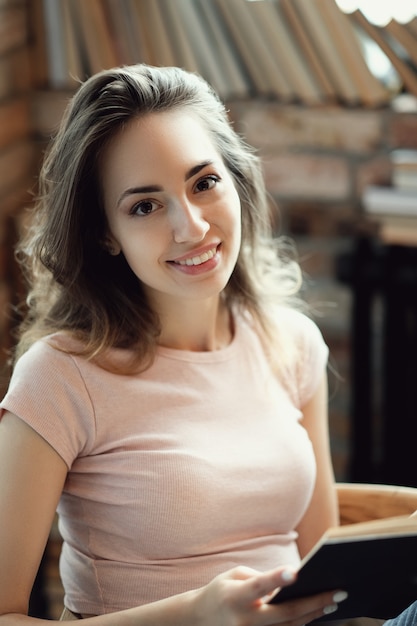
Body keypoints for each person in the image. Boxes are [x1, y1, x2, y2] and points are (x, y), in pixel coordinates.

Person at [0, 63, 344, 625]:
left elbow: (326, 575)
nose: (191, 227)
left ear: (236, 182)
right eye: (145, 206)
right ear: (105, 233)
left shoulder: (292, 343)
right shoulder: (60, 378)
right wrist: (196, 614)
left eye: (204, 182)